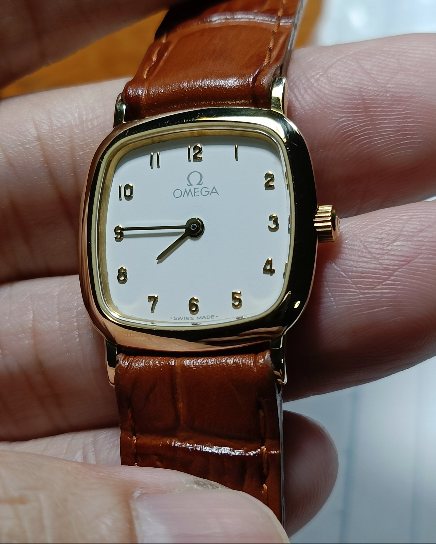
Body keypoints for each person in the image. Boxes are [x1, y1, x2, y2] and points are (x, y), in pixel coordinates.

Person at [0, 1, 435, 541]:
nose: (193, 227)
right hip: (139, 342)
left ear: (316, 224)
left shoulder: (229, 123)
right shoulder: (138, 130)